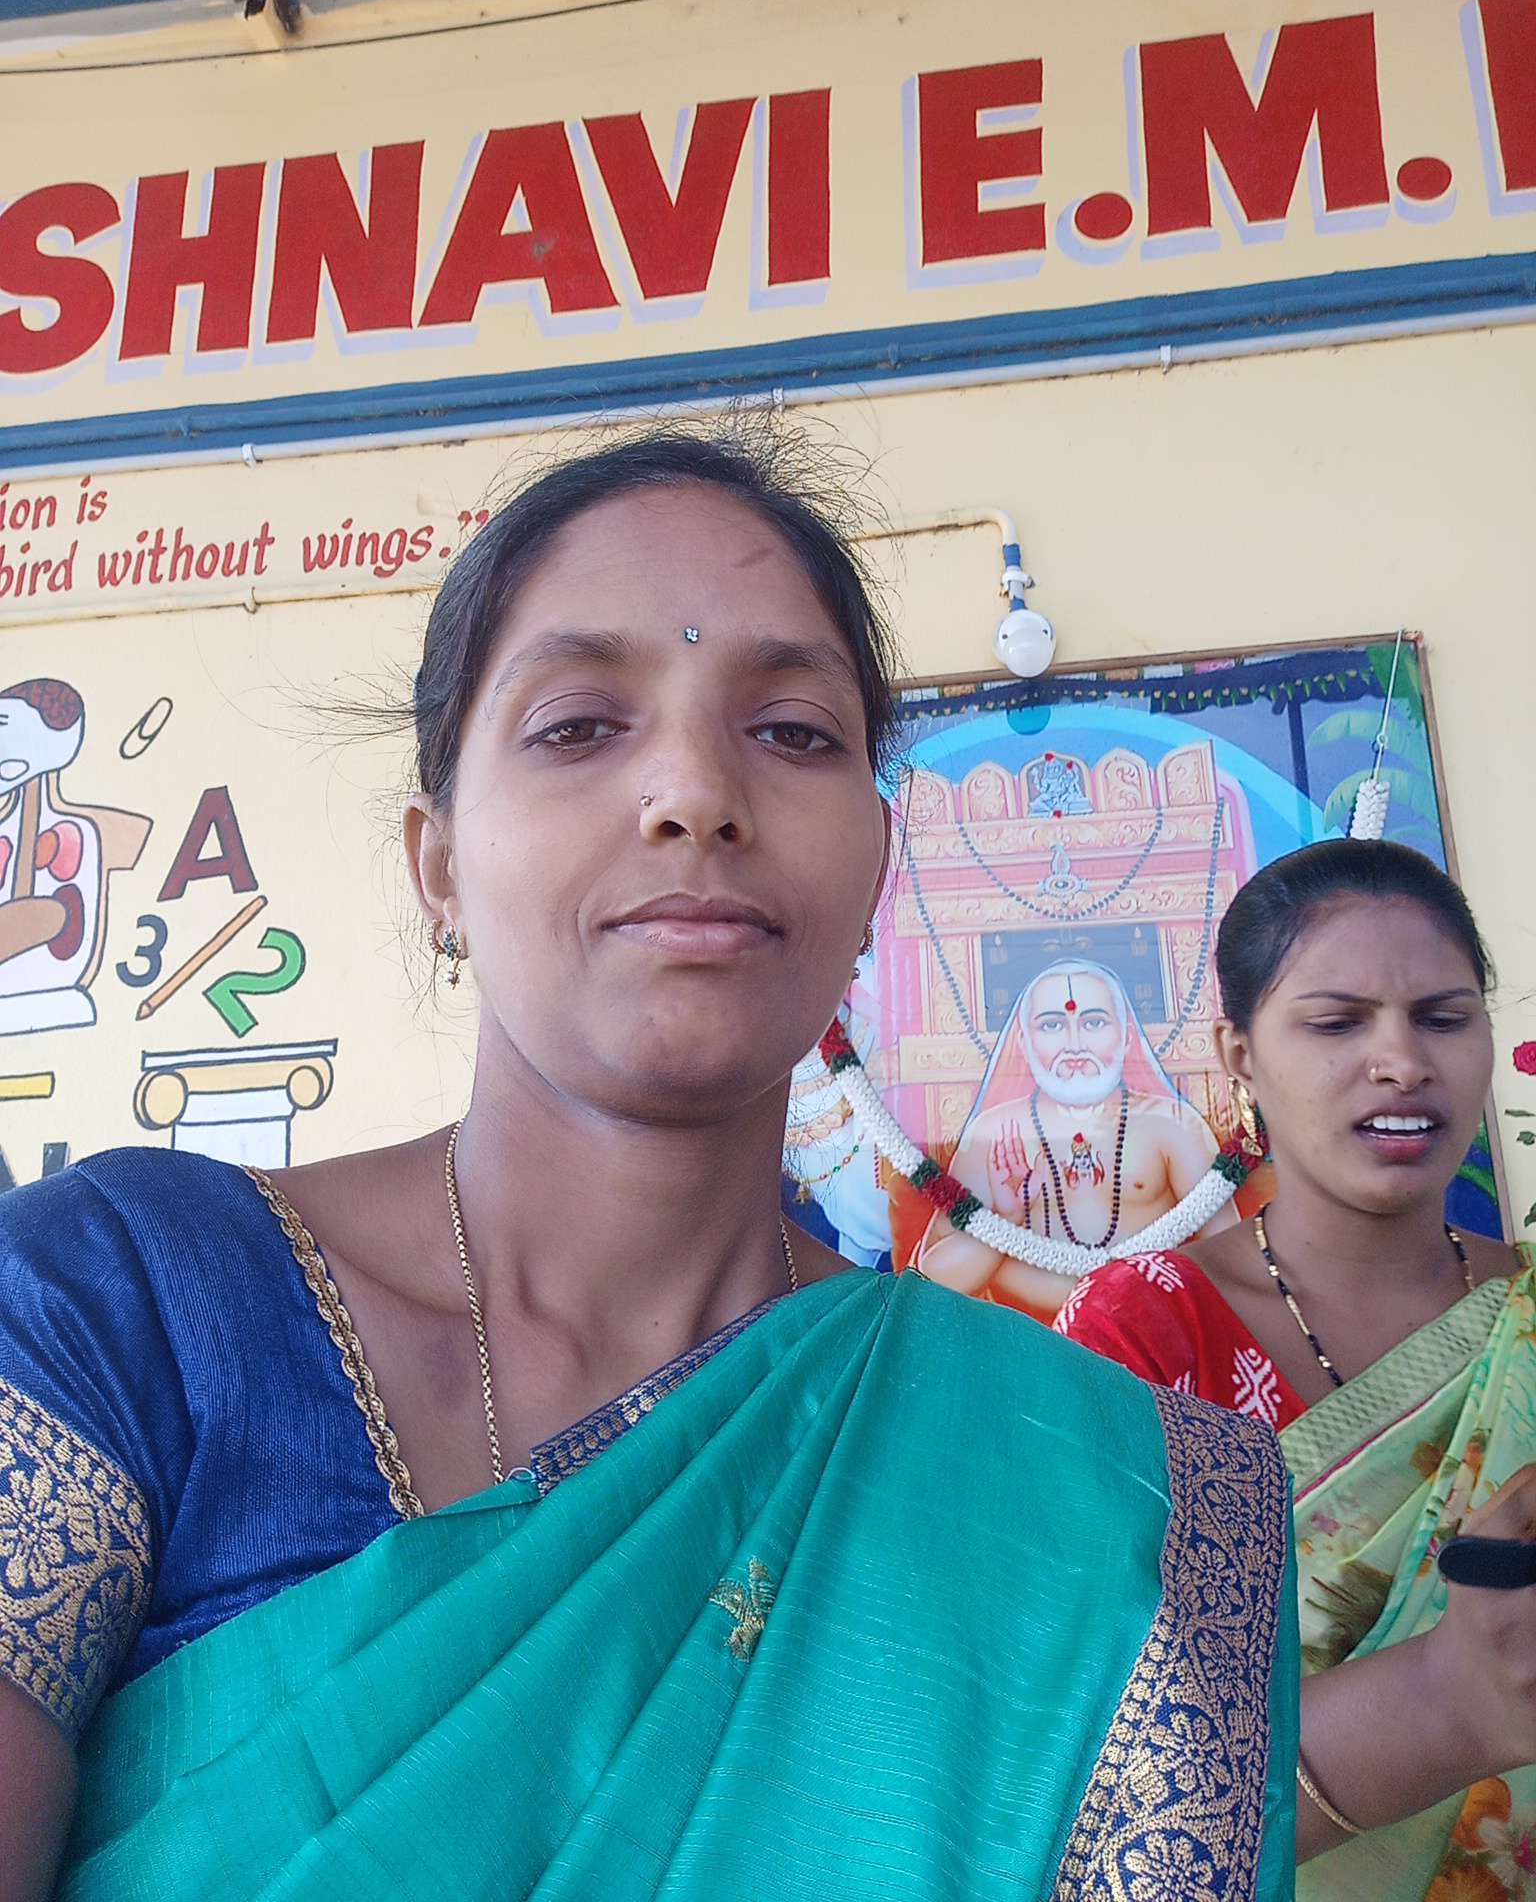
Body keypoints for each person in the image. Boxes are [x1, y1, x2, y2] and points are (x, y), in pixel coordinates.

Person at [0, 426, 1298, 1902]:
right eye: (577, 725)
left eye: (791, 731)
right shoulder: (113, 1310)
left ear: (877, 868)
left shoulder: (1113, 1510)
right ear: (438, 864)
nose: (694, 790)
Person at [1056, 839, 1536, 1895]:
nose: (1401, 1060)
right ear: (1239, 1053)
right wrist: (1441, 1699)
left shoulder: (1527, 1321)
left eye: (1443, 1017)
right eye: (1336, 1022)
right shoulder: (1146, 1334)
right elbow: (1077, 1759)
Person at [917, 959, 1235, 1317]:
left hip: (1149, 1334)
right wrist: (1006, 1220)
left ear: (1126, 1035)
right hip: (1024, 1339)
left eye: (1094, 1022)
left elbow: (1232, 1261)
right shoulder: (994, 1134)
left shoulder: (1173, 1125)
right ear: (1024, 1041)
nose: (1074, 1044)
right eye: (1052, 1025)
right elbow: (930, 1283)